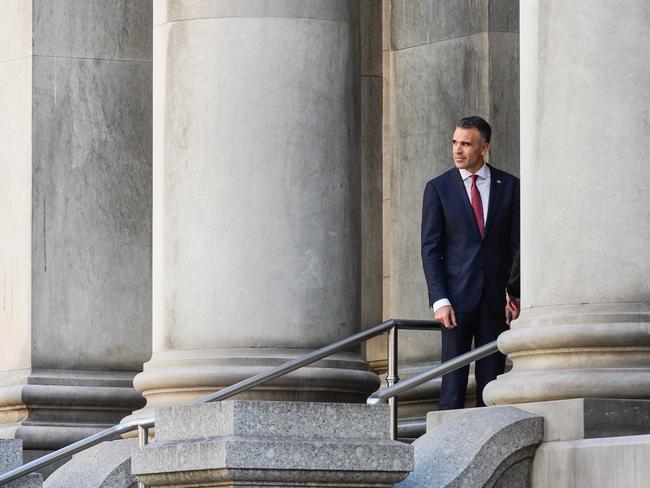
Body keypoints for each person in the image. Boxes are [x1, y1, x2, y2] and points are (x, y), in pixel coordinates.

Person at [421, 116, 519, 409]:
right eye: (455, 142)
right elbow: (430, 248)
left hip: (496, 301)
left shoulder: (510, 186)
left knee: (491, 386)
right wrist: (439, 299)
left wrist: (514, 292)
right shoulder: (438, 188)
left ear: (484, 148)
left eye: (466, 143)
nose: (457, 150)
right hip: (455, 302)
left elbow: (516, 246)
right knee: (452, 384)